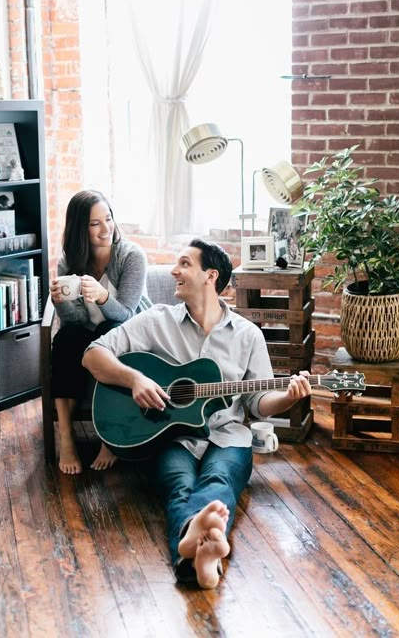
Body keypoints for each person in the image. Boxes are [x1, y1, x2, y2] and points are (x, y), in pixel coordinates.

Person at [82, 239, 311, 589]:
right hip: (172, 435)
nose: (174, 271)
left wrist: (288, 399)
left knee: (220, 480)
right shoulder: (156, 321)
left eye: (184, 264)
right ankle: (204, 555)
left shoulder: (248, 335)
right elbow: (93, 355)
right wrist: (136, 379)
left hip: (228, 435)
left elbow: (258, 402)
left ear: (210, 276)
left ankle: (190, 548)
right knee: (179, 485)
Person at [50, 189, 151, 475]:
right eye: (95, 223)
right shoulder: (69, 262)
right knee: (67, 339)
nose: (106, 228)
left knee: (109, 330)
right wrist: (61, 303)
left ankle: (110, 434)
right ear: (80, 228)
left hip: (126, 331)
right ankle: (67, 436)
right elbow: (75, 320)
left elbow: (128, 315)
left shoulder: (131, 256)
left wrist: (103, 296)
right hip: (86, 332)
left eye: (108, 218)